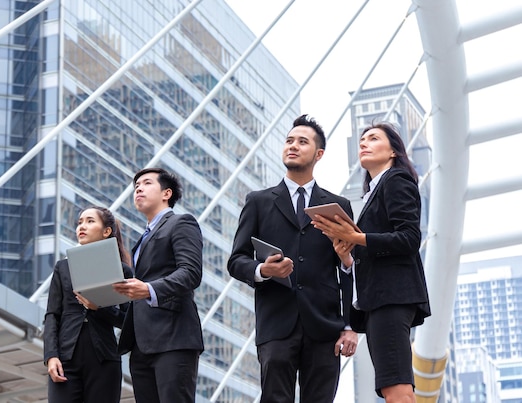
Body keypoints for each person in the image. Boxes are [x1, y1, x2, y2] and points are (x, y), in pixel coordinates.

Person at [228, 114, 358, 403]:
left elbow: (348, 269)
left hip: (325, 326)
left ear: (319, 153)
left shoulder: (337, 206)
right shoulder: (258, 202)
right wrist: (263, 269)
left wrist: (350, 326)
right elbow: (236, 261)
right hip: (276, 323)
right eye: (289, 141)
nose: (293, 146)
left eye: (302, 142)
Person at [312, 122, 431, 402]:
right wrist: (346, 253)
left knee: (397, 388)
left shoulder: (397, 180)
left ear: (393, 152)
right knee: (392, 387)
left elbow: (409, 238)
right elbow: (373, 250)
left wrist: (357, 236)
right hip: (378, 301)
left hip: (391, 298)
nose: (364, 143)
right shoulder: (372, 193)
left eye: (374, 138)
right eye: (362, 139)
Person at [113, 167, 204, 403]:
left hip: (174, 338)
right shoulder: (141, 241)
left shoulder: (181, 223)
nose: (138, 189)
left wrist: (149, 289)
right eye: (136, 187)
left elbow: (191, 273)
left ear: (167, 193)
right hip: (142, 344)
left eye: (146, 183)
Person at [43, 206, 133, 403]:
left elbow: (129, 321)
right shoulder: (63, 268)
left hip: (104, 360)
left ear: (106, 231)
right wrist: (51, 356)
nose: (82, 226)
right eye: (80, 222)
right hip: (65, 359)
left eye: (90, 221)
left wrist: (99, 308)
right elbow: (52, 315)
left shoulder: (123, 271)